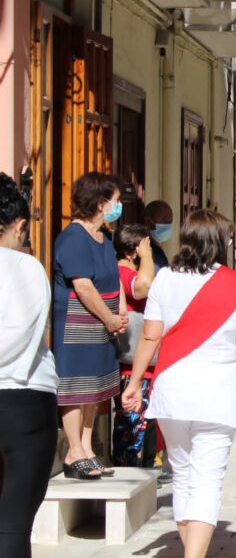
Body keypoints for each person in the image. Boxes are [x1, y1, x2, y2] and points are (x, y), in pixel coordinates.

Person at [122, 209, 236, 558]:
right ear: (220, 242)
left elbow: (149, 336)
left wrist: (135, 382)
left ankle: (193, 550)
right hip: (216, 393)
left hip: (171, 389)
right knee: (207, 479)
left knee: (184, 474)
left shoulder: (165, 280)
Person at [53, 172, 128, 480]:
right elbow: (83, 286)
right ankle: (73, 451)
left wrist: (120, 309)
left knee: (95, 388)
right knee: (76, 388)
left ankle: (87, 446)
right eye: (115, 201)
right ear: (100, 203)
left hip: (105, 323)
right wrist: (108, 317)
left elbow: (114, 276)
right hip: (78, 323)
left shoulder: (104, 237)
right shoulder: (73, 238)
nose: (118, 206)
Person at [0, 174, 58, 556]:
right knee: (14, 523)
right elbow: (21, 330)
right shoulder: (25, 268)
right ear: (20, 225)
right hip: (24, 397)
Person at [111, 224, 158, 466]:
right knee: (132, 420)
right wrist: (147, 256)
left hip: (140, 361)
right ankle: (129, 467)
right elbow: (143, 288)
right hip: (132, 363)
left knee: (140, 420)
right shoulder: (124, 272)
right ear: (132, 252)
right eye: (145, 246)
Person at [144, 199, 174, 269]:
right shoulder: (145, 250)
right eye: (164, 220)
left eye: (170, 220)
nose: (168, 224)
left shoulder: (158, 251)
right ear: (148, 222)